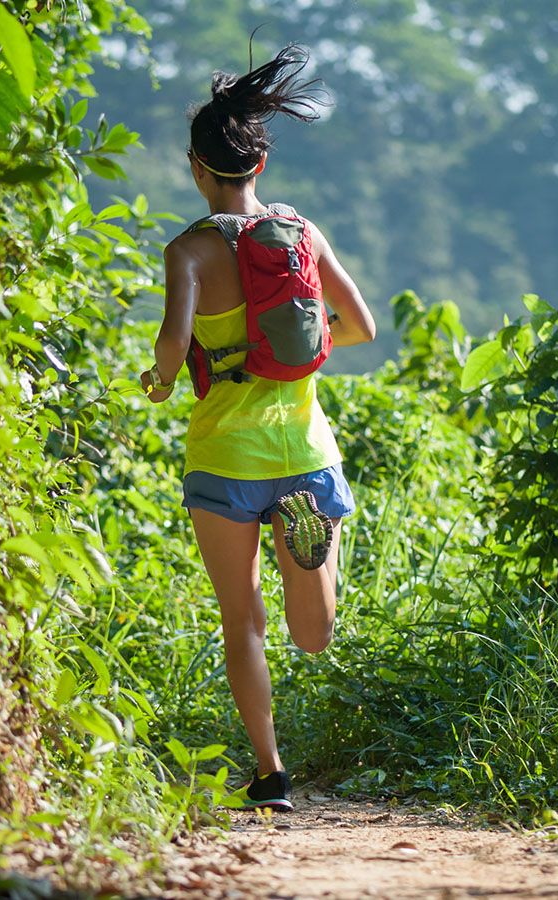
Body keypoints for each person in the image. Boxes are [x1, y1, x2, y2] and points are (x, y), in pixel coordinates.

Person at [139, 44, 377, 811]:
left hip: (223, 457)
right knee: (314, 634)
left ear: (195, 167)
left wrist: (163, 377)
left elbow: (174, 346)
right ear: (259, 163)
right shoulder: (301, 234)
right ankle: (311, 553)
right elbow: (362, 326)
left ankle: (270, 773)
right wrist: (294, 344)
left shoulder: (189, 251)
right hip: (304, 450)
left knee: (241, 617)